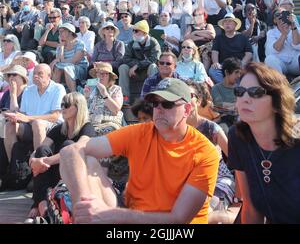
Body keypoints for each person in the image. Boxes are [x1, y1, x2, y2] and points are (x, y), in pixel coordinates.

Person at [60, 78, 219, 224]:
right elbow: (70, 151)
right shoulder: (139, 132)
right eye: (155, 103)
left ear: (187, 109)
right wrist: (84, 206)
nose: (159, 109)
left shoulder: (205, 152)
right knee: (86, 161)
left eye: (167, 104)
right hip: (131, 215)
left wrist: (113, 214)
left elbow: (178, 219)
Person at [228, 62, 300, 224]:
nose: (245, 99)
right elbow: (251, 207)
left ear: (277, 102)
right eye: (240, 92)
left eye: (256, 92)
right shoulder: (237, 137)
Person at [26, 92, 95, 222]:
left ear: (78, 107)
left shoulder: (87, 128)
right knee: (42, 150)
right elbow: (40, 148)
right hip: (54, 173)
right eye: (62, 104)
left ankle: (50, 208)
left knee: (69, 145)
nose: (62, 108)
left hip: (75, 176)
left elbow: (78, 148)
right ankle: (40, 203)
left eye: (67, 105)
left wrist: (44, 161)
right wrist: (33, 160)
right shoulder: (58, 129)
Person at [187, 81, 235, 223]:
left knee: (206, 212)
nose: (185, 100)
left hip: (218, 179)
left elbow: (235, 161)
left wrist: (241, 192)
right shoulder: (176, 130)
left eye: (190, 95)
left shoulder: (211, 128)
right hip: (191, 182)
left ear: (199, 100)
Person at [118, 20, 161, 102]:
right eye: (133, 31)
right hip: (134, 72)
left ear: (145, 33)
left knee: (153, 66)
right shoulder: (131, 44)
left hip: (147, 70)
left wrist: (138, 65)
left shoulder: (153, 43)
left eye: (136, 31)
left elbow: (155, 59)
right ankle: (125, 97)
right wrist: (136, 65)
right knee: (123, 67)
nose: (134, 33)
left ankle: (152, 96)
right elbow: (126, 58)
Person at [209, 13, 253, 84]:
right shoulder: (219, 38)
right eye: (225, 22)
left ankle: (233, 86)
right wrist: (215, 62)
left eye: (230, 21)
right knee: (212, 71)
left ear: (235, 25)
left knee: (250, 73)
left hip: (239, 64)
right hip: (224, 66)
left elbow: (249, 53)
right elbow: (215, 51)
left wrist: (242, 63)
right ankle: (230, 86)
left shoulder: (242, 37)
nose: (227, 24)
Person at [84, 62, 124, 135]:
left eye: (104, 73)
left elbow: (115, 110)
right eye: (99, 73)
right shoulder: (92, 89)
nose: (101, 76)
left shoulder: (116, 89)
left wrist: (104, 93)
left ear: (109, 76)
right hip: (91, 124)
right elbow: (83, 110)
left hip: (109, 123)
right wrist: (86, 97)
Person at [51, 23, 88, 92]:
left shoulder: (80, 44)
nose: (60, 34)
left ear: (70, 33)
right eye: (59, 32)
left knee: (67, 68)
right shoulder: (60, 46)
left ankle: (73, 93)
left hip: (80, 68)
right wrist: (61, 47)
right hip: (66, 67)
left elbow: (74, 61)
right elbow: (59, 60)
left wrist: (61, 61)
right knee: (57, 68)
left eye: (62, 31)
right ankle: (54, 92)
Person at [264, 8, 300, 76]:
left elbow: (296, 45)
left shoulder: (296, 28)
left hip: (295, 62)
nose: (281, 16)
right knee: (269, 60)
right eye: (278, 15)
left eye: (283, 13)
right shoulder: (271, 33)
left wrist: (293, 26)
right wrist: (284, 34)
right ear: (274, 20)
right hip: (281, 62)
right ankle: (280, 84)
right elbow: (277, 48)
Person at [211, 58, 241, 134]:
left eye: (239, 73)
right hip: (224, 120)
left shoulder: (240, 88)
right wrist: (235, 107)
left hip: (240, 119)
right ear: (227, 72)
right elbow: (219, 107)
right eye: (236, 72)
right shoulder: (216, 88)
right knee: (223, 130)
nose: (239, 76)